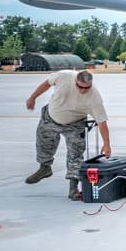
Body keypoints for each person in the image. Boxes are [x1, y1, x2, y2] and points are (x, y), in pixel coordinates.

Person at [24, 69, 112, 200]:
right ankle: (45, 168)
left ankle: (73, 188)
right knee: (44, 144)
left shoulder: (94, 98)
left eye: (86, 88)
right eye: (80, 87)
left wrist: (107, 144)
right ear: (75, 81)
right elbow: (46, 84)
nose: (83, 90)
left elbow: (102, 122)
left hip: (75, 125)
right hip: (51, 118)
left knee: (75, 155)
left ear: (91, 84)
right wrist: (32, 97)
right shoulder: (64, 76)